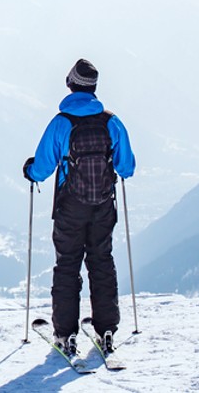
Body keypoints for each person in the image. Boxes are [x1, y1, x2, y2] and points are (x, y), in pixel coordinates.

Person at [22, 58, 135, 357]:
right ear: (94, 88)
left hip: (70, 208)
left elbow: (43, 167)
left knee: (67, 266)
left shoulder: (61, 123)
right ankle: (107, 329)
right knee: (101, 263)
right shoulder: (111, 122)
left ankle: (66, 335)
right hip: (102, 206)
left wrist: (29, 171)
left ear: (71, 85)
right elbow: (127, 167)